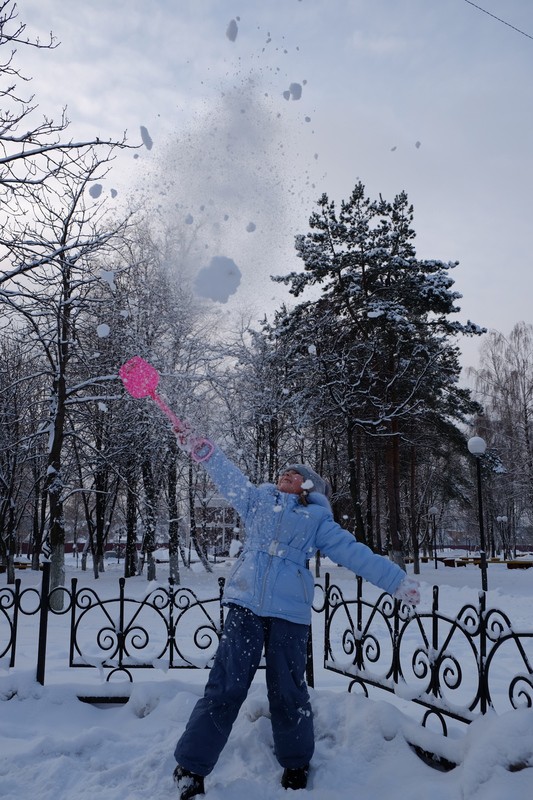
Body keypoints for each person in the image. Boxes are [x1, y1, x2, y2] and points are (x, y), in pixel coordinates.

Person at [172, 439, 420, 799]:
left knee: (288, 691)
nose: (285, 475)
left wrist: (397, 581)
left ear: (309, 488)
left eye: (295, 475)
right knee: (225, 686)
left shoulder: (318, 519)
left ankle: (296, 762)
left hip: (290, 614)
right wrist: (204, 450)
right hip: (245, 606)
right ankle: (191, 766)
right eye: (284, 473)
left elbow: (354, 553)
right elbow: (228, 477)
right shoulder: (257, 501)